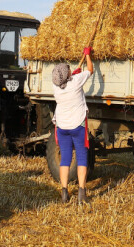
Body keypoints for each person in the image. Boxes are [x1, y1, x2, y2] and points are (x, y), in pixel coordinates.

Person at [51, 46, 94, 205]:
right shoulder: (76, 82)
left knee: (66, 159)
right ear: (68, 75)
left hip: (62, 127)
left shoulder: (56, 88)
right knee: (82, 158)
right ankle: (82, 193)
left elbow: (67, 81)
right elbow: (90, 70)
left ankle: (64, 192)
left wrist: (73, 73)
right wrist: (87, 55)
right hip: (77, 126)